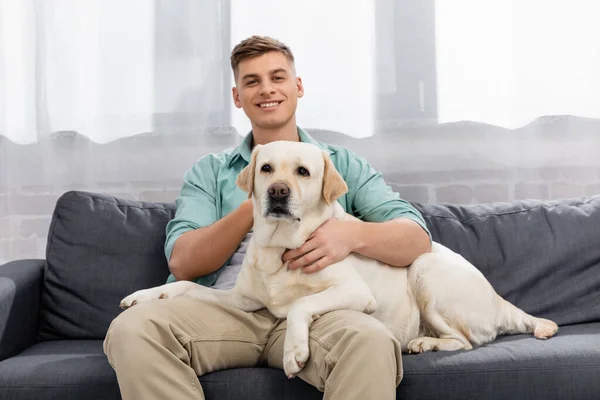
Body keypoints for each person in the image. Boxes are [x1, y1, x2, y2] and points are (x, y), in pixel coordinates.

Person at [104, 35, 432, 400]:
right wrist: (259, 200)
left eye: (277, 77)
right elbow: (183, 262)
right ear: (237, 97)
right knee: (131, 329)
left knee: (371, 341)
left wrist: (350, 236)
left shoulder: (338, 163)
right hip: (230, 308)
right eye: (252, 81)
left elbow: (416, 239)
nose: (266, 90)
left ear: (298, 86)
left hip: (317, 313)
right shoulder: (210, 172)